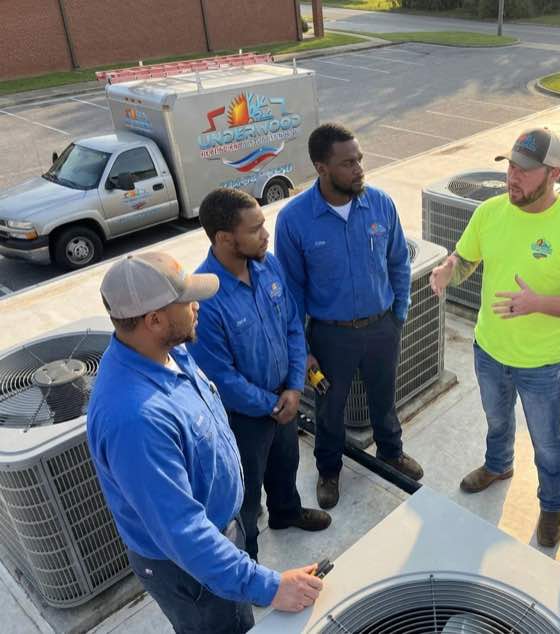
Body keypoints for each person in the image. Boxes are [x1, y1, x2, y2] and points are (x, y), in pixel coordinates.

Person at [87, 252, 323, 633]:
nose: (198, 304)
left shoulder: (172, 350)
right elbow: (183, 533)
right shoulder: (134, 418)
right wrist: (271, 587)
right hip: (192, 566)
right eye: (187, 300)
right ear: (154, 319)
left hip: (224, 532)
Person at [429, 127, 560, 548]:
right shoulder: (490, 212)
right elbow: (466, 258)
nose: (513, 177)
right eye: (510, 166)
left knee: (546, 443)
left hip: (540, 363)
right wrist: (448, 268)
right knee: (497, 420)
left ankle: (550, 506)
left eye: (525, 170)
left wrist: (538, 303)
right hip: (489, 349)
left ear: (553, 173)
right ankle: (498, 465)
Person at [275, 122, 423, 510]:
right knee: (330, 408)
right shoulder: (294, 220)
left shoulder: (381, 204)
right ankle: (328, 470)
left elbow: (398, 264)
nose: (359, 169)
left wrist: (399, 315)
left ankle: (391, 452)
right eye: (347, 163)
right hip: (330, 336)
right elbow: (292, 293)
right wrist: (302, 349)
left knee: (384, 398)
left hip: (381, 327)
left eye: (359, 159)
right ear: (321, 168)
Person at [187, 188, 331, 564]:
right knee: (246, 493)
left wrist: (295, 387)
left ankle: (286, 512)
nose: (266, 235)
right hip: (244, 419)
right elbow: (221, 376)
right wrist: (272, 404)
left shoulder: (270, 266)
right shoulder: (205, 296)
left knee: (286, 465)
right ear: (224, 238)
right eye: (255, 229)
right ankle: (246, 555)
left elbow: (292, 328)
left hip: (286, 397)